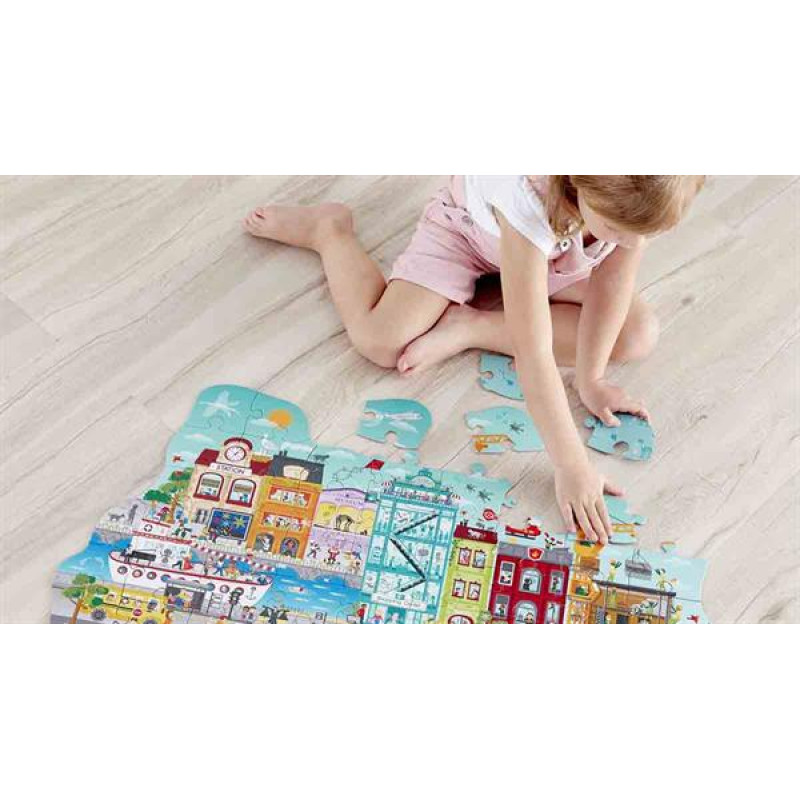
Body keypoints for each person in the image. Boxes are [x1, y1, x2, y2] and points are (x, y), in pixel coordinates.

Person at [243, 176, 704, 542]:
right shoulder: (526, 194)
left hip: (558, 255)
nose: (631, 243)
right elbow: (534, 353)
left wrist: (591, 378)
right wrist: (572, 465)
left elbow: (612, 283)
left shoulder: (634, 204)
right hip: (468, 236)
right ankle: (328, 232)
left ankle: (471, 325)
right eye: (618, 230)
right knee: (379, 339)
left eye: (644, 234)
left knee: (637, 334)